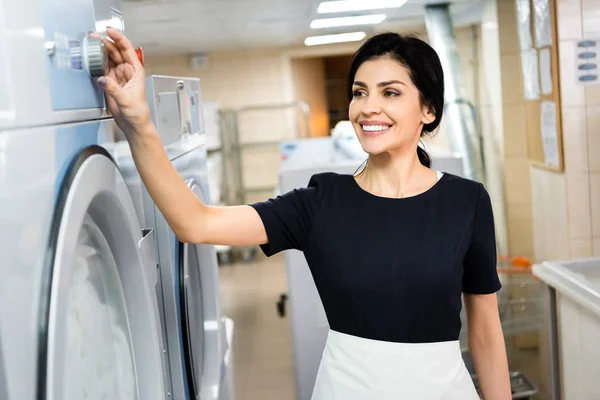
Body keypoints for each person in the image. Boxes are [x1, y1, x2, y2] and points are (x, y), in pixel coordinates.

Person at [97, 27, 511, 399]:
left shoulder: (467, 201)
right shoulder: (321, 201)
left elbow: (486, 333)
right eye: (359, 92)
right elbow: (196, 223)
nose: (368, 107)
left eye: (390, 93)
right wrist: (139, 123)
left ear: (428, 110)